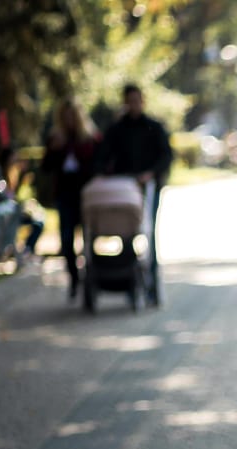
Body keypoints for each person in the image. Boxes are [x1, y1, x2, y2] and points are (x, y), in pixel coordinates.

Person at [96, 83, 172, 303]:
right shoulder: (117, 129)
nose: (134, 105)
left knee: (149, 235)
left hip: (148, 188)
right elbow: (103, 154)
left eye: (137, 100)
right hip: (124, 190)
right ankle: (129, 282)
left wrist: (151, 173)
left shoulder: (154, 127)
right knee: (126, 235)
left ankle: (152, 287)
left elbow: (165, 155)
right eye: (130, 101)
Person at [42, 98, 100, 300]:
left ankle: (92, 280)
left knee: (89, 239)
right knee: (66, 240)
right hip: (65, 196)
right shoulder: (56, 138)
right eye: (65, 117)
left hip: (86, 195)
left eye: (72, 116)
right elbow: (46, 167)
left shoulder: (90, 137)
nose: (69, 121)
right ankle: (74, 278)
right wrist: (54, 149)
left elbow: (99, 163)